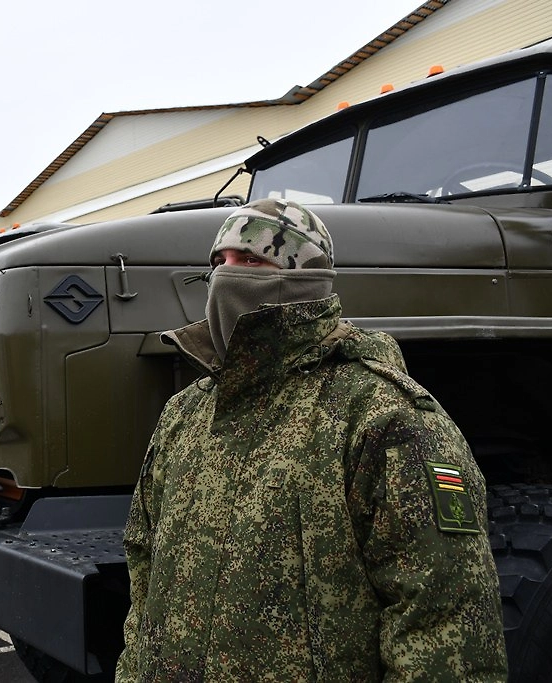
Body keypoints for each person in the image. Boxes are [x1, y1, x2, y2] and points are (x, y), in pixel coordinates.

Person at [115, 199, 507, 682]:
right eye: (220, 261)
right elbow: (143, 572)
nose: (226, 276)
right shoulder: (186, 412)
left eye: (251, 260)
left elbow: (443, 621)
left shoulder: (381, 415)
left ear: (305, 279)